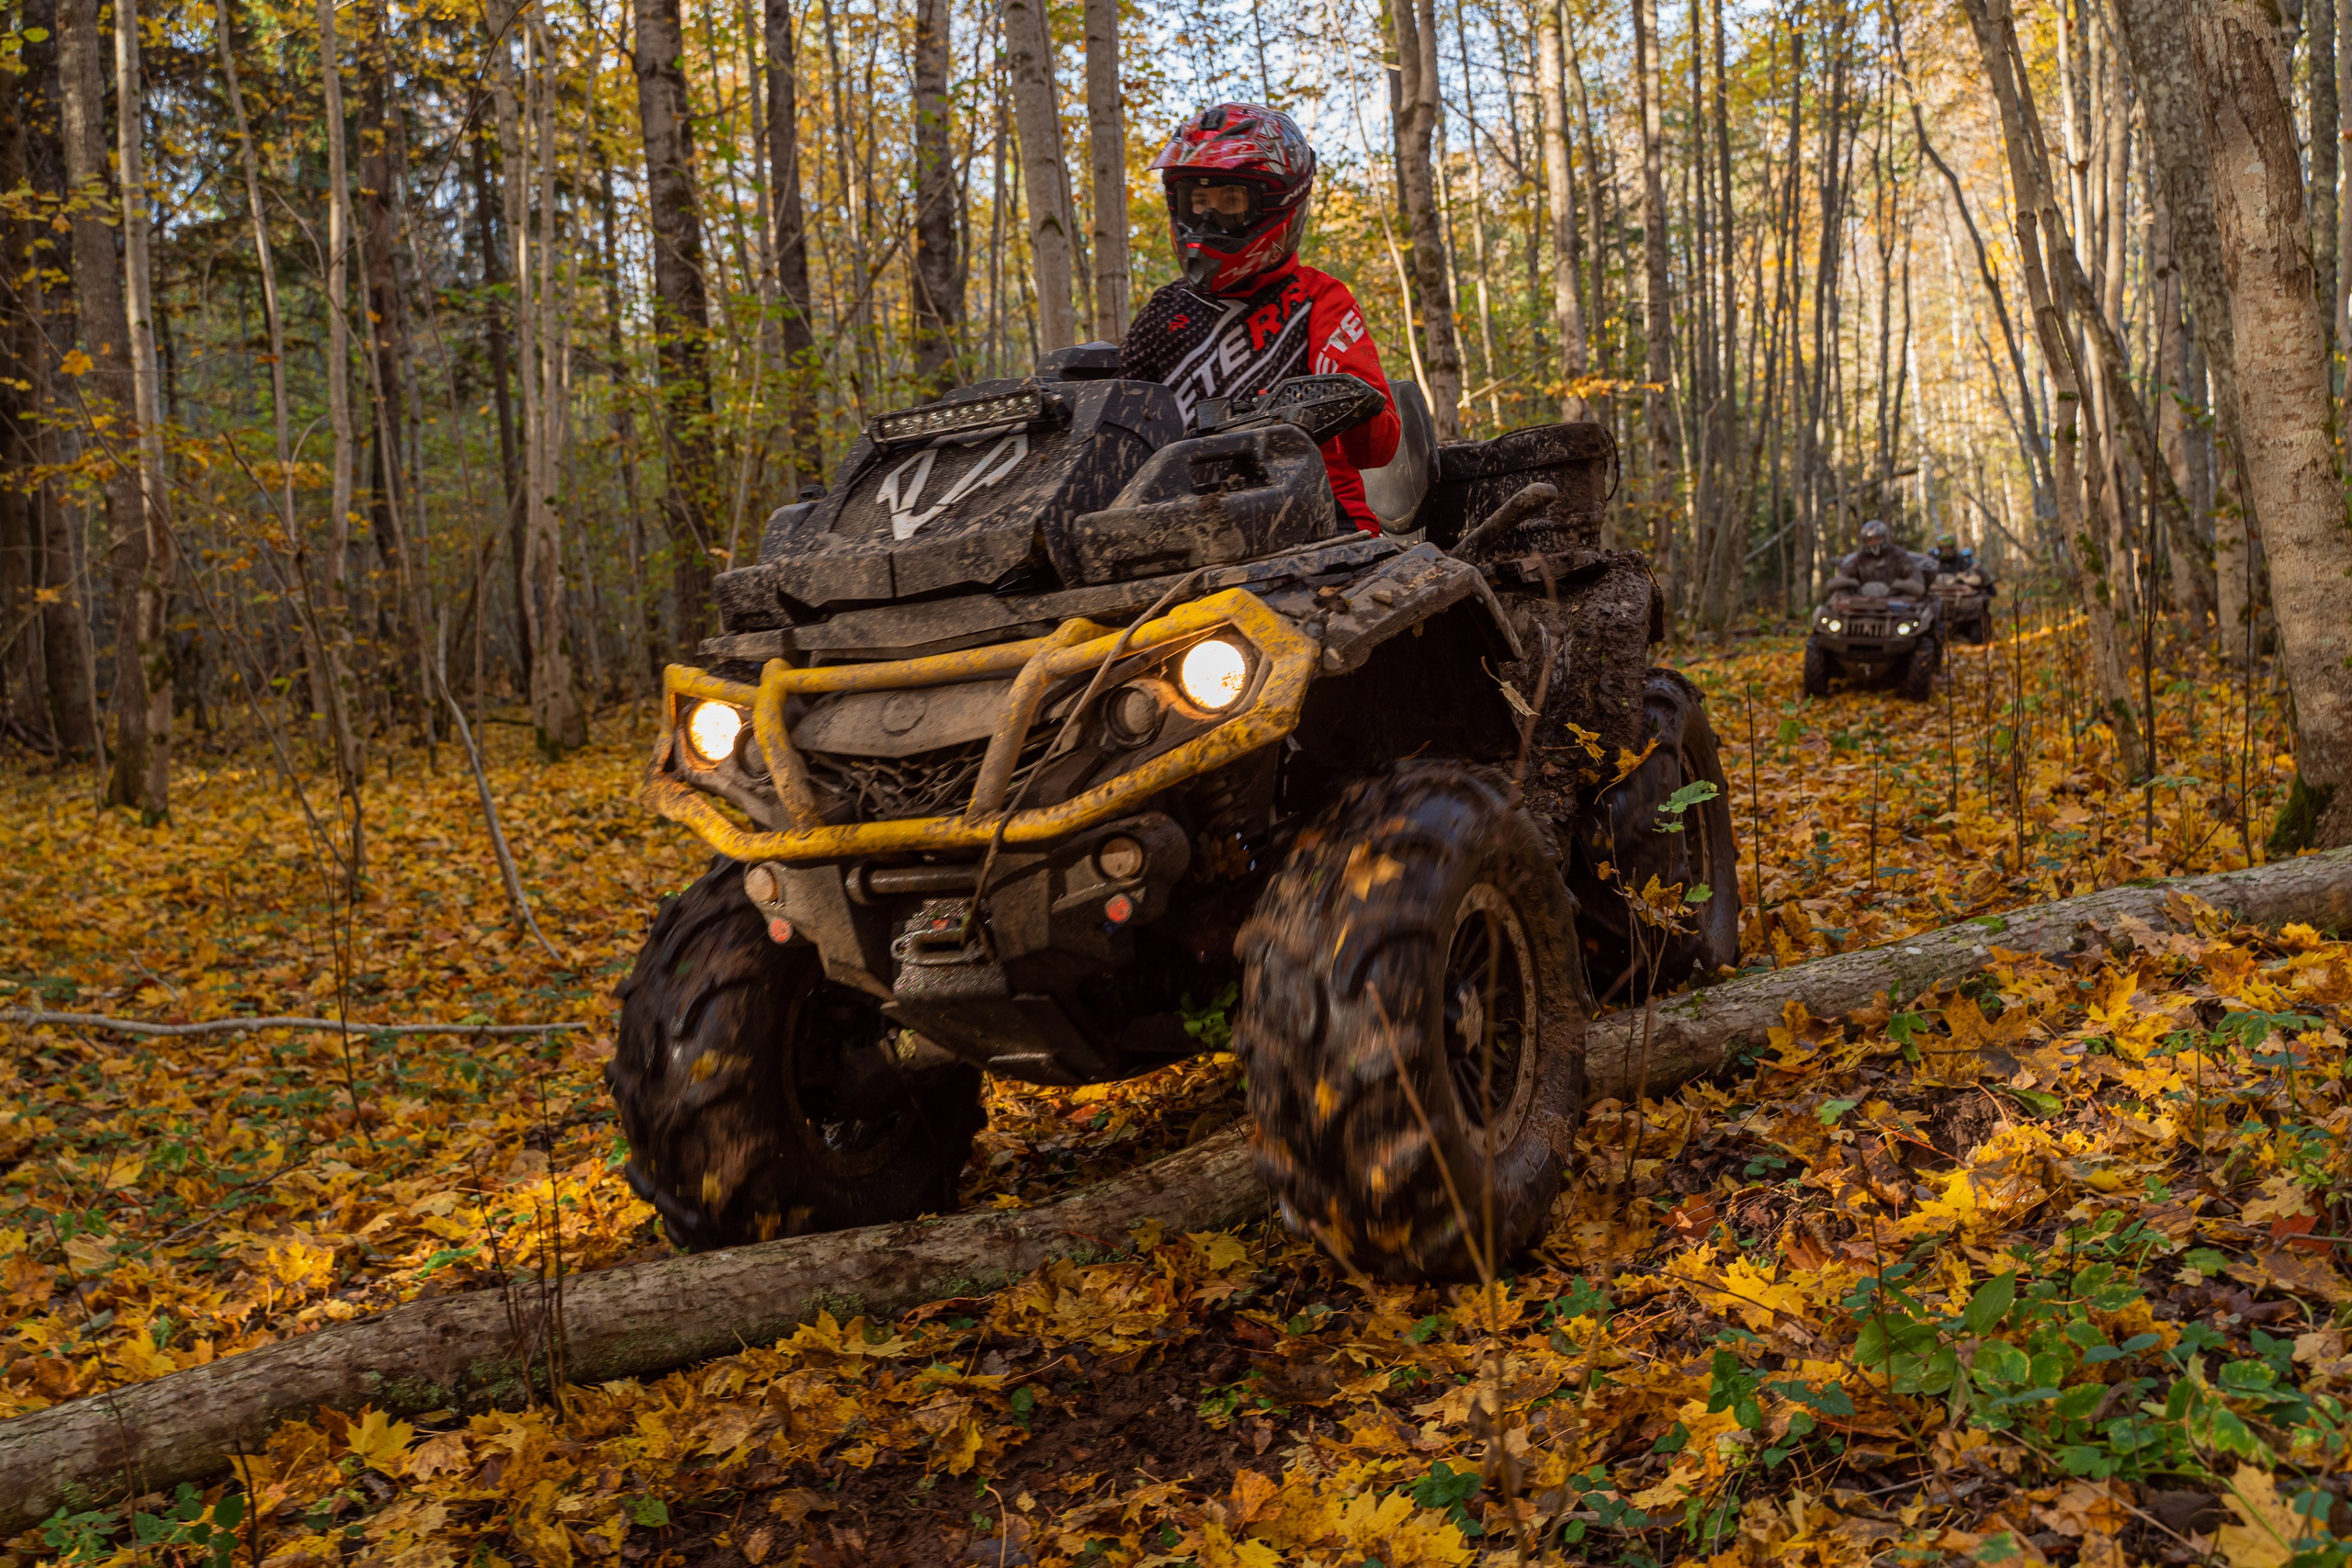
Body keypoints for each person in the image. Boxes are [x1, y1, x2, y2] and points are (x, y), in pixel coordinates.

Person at [1120, 103, 1402, 533]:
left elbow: (1377, 449)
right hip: (1182, 527)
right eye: (1197, 200)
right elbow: (1119, 437)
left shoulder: (1319, 300)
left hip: (1322, 520)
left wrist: (1350, 403)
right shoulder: (1163, 312)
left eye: (1230, 200)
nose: (1208, 217)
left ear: (1278, 202)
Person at [1832, 519, 1927, 592]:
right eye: (1870, 540)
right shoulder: (1859, 558)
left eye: (1877, 539)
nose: (1873, 543)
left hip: (1896, 599)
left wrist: (1898, 584)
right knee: (1827, 608)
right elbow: (1843, 576)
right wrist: (1850, 582)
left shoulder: (1898, 556)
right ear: (1865, 542)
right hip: (1864, 602)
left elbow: (1917, 583)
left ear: (1884, 538)